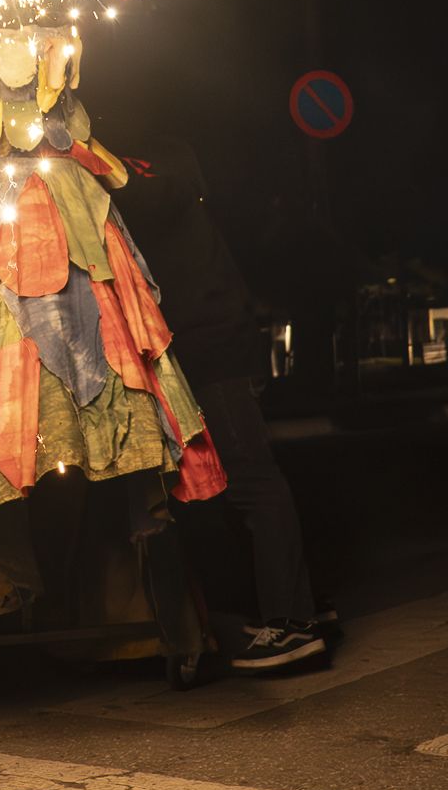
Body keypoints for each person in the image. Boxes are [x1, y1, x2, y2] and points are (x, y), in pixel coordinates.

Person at [117, 137, 327, 670]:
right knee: (239, 486)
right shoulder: (166, 180)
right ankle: (292, 612)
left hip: (215, 349)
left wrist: (91, 164)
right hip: (217, 345)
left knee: (255, 479)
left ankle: (295, 625)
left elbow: (147, 196)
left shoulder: (160, 179)